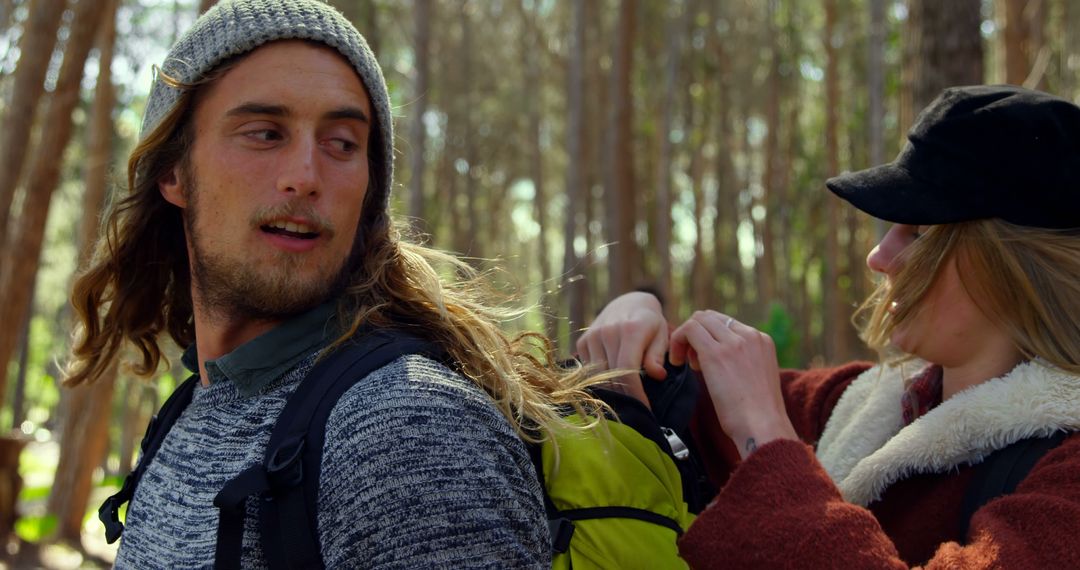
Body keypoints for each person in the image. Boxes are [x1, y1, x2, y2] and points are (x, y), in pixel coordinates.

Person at [64, 0, 605, 566]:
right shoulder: (197, 404)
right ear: (173, 172)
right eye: (265, 133)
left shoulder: (408, 431)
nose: (305, 176)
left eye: (342, 143)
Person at [577, 84, 1080, 568]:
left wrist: (768, 440)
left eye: (920, 233)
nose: (879, 257)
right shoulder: (867, 405)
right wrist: (636, 314)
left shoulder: (1067, 476)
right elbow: (680, 403)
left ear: (1017, 264)